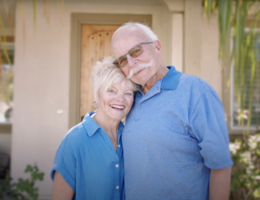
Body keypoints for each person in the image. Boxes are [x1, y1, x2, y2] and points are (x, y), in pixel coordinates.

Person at [110, 22, 233, 200]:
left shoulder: (196, 90)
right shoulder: (129, 98)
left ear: (157, 47)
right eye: (122, 60)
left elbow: (220, 164)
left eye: (136, 51)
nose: (131, 62)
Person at [50, 56, 138, 200]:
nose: (120, 100)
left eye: (128, 93)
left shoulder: (131, 137)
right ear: (97, 94)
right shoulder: (74, 140)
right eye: (111, 91)